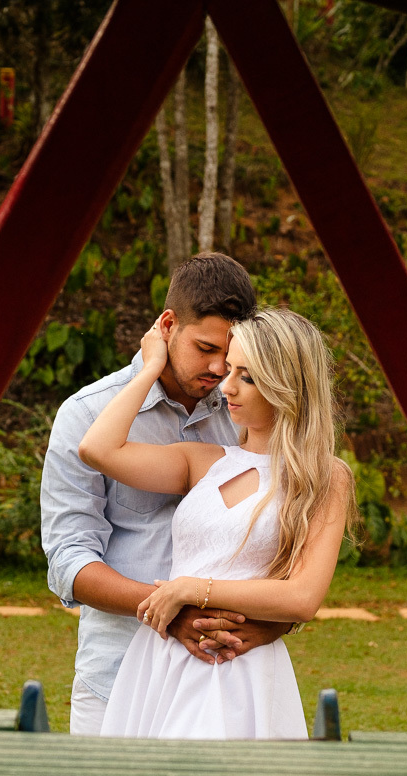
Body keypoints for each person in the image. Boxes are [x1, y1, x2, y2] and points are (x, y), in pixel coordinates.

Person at [41, 253, 290, 736]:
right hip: (114, 675)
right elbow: (69, 560)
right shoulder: (87, 414)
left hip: (228, 679)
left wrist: (271, 626)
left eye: (231, 352)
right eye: (204, 347)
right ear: (168, 324)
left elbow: (286, 546)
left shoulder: (246, 414)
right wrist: (168, 612)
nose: (219, 368)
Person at [79, 308, 354, 739]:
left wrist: (192, 589)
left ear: (287, 385)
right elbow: (97, 449)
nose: (226, 386)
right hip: (161, 662)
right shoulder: (204, 461)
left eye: (246, 375)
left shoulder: (325, 477)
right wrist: (151, 366)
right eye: (230, 370)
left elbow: (303, 598)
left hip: (242, 671)